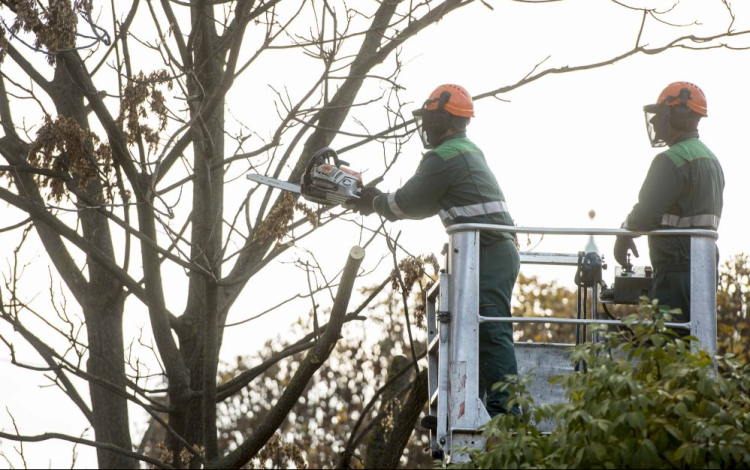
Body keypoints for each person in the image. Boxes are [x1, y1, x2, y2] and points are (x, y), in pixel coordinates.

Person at [348, 84, 520, 417]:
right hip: (489, 251)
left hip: (489, 253)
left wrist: (373, 201)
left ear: (445, 117)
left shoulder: (443, 157)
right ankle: (490, 405)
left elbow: (408, 202)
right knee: (478, 329)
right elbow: (418, 203)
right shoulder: (463, 150)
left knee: (490, 329)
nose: (426, 126)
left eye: (430, 118)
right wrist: (377, 200)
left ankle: (507, 413)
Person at [614, 81, 724, 322]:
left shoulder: (670, 160)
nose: (654, 122)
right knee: (696, 344)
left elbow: (645, 214)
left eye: (661, 114)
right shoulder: (711, 160)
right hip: (704, 268)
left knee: (671, 343)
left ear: (680, 114)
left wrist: (624, 233)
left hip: (675, 271)